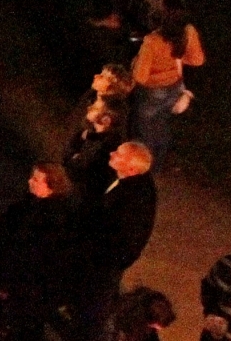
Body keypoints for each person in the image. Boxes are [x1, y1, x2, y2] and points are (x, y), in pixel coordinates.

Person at [0, 163, 78, 341]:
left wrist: (6, 283)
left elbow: (28, 256)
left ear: (51, 187)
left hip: (24, 290)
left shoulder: (50, 220)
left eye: (36, 179)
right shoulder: (29, 207)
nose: (30, 181)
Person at [75, 142, 159, 338]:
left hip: (104, 262)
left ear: (131, 168)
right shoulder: (125, 180)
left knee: (94, 309)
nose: (112, 153)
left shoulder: (135, 199)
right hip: (99, 257)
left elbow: (124, 237)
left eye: (118, 154)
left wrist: (98, 256)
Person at [130, 0, 204, 166]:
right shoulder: (188, 31)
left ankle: (144, 165)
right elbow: (197, 60)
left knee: (145, 129)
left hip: (152, 92)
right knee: (161, 123)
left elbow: (140, 77)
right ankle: (159, 161)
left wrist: (136, 62)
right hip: (174, 86)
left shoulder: (152, 41)